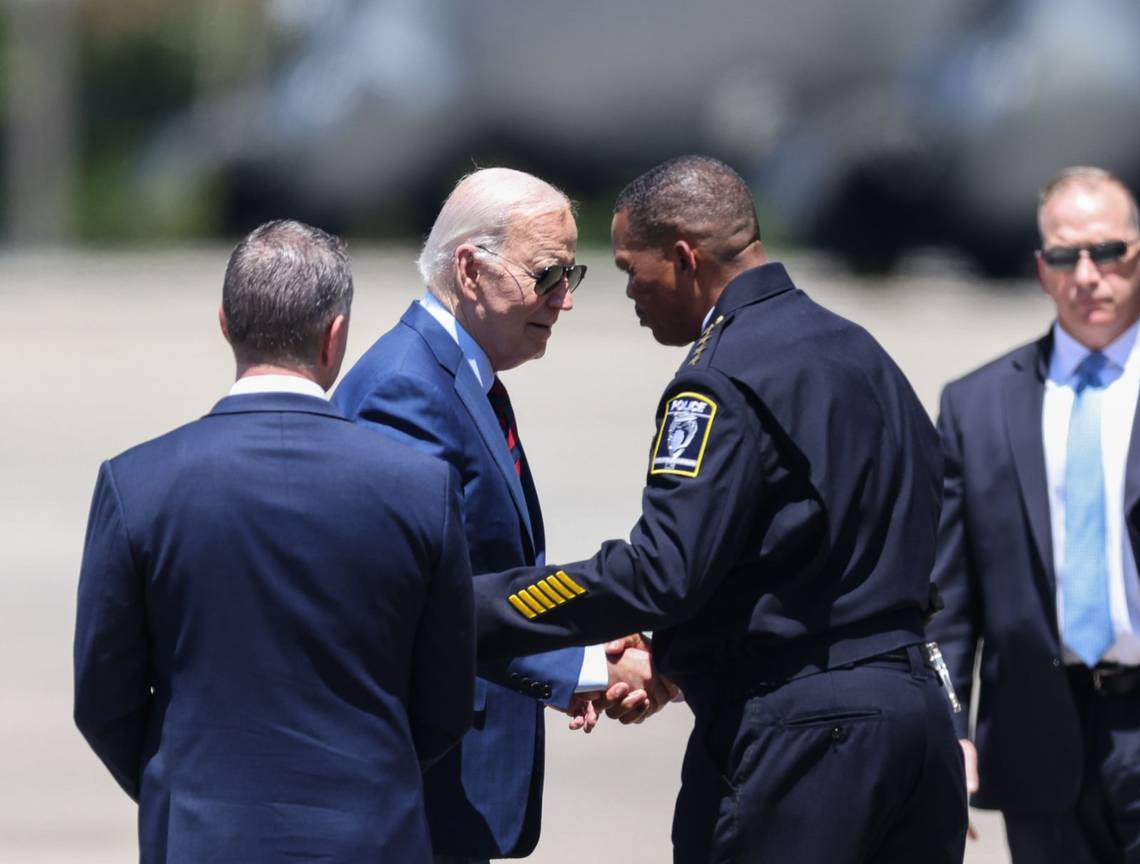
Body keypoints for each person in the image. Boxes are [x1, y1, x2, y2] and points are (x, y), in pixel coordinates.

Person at [473, 155, 967, 862]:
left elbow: (659, 574)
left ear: (682, 258)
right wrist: (675, 655)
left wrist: (481, 610)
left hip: (807, 742)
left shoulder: (719, 379)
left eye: (627, 271)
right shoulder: (862, 354)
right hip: (918, 725)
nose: (629, 295)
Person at [73, 220, 474, 863]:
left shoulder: (137, 484)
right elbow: (448, 700)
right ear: (335, 333)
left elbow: (103, 700)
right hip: (372, 836)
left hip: (202, 838)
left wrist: (184, 791)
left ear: (226, 323)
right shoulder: (422, 486)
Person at [333, 167, 671, 863]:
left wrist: (584, 646)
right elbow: (423, 601)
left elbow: (498, 574)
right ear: (470, 269)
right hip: (421, 788)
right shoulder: (407, 390)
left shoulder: (458, 374)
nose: (565, 301)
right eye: (547, 275)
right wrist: (581, 664)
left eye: (570, 275)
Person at [928, 166, 1140, 863]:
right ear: (1041, 270)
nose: (1088, 274)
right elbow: (949, 598)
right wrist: (946, 725)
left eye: (1109, 251)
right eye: (1064, 256)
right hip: (1036, 738)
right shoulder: (976, 406)